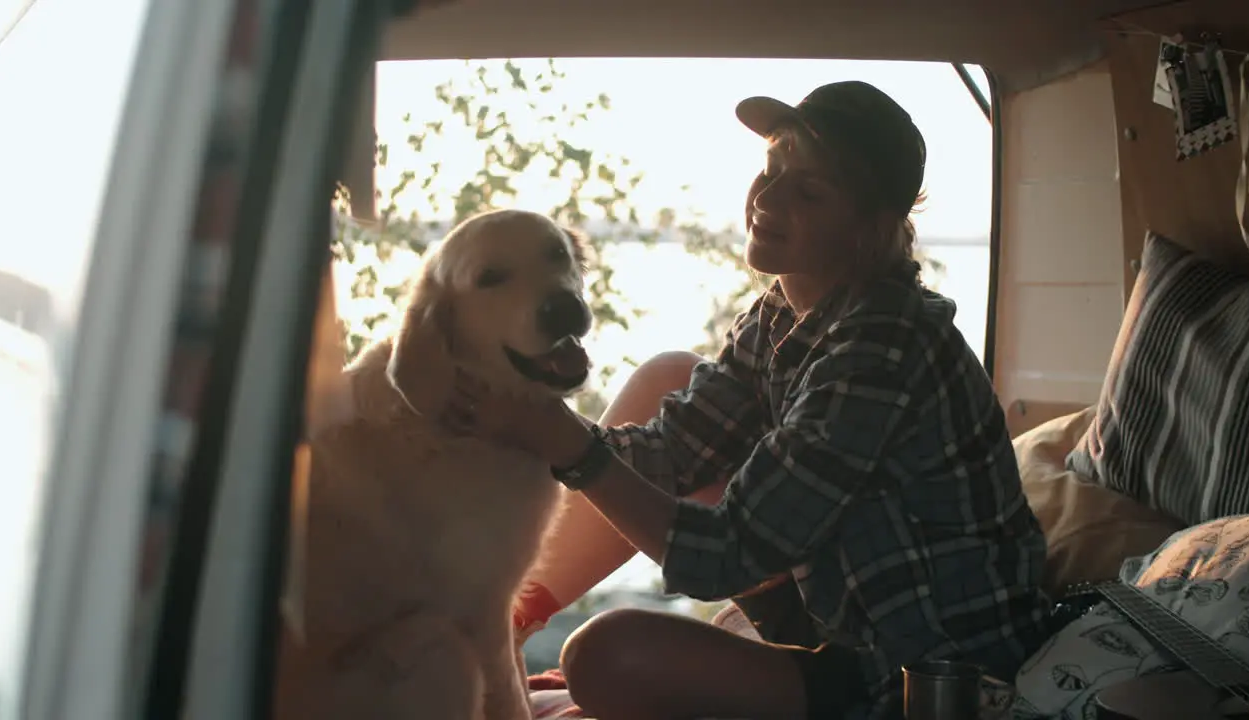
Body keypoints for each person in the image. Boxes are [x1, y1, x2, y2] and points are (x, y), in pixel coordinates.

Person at [447, 81, 1051, 720]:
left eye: (808, 192)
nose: (766, 198)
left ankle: (503, 636)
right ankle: (499, 622)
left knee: (604, 656)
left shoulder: (884, 349)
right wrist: (517, 430)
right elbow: (670, 451)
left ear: (869, 232)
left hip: (915, 669)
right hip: (834, 608)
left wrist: (563, 440)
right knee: (670, 377)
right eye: (770, 170)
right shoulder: (779, 316)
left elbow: (721, 557)